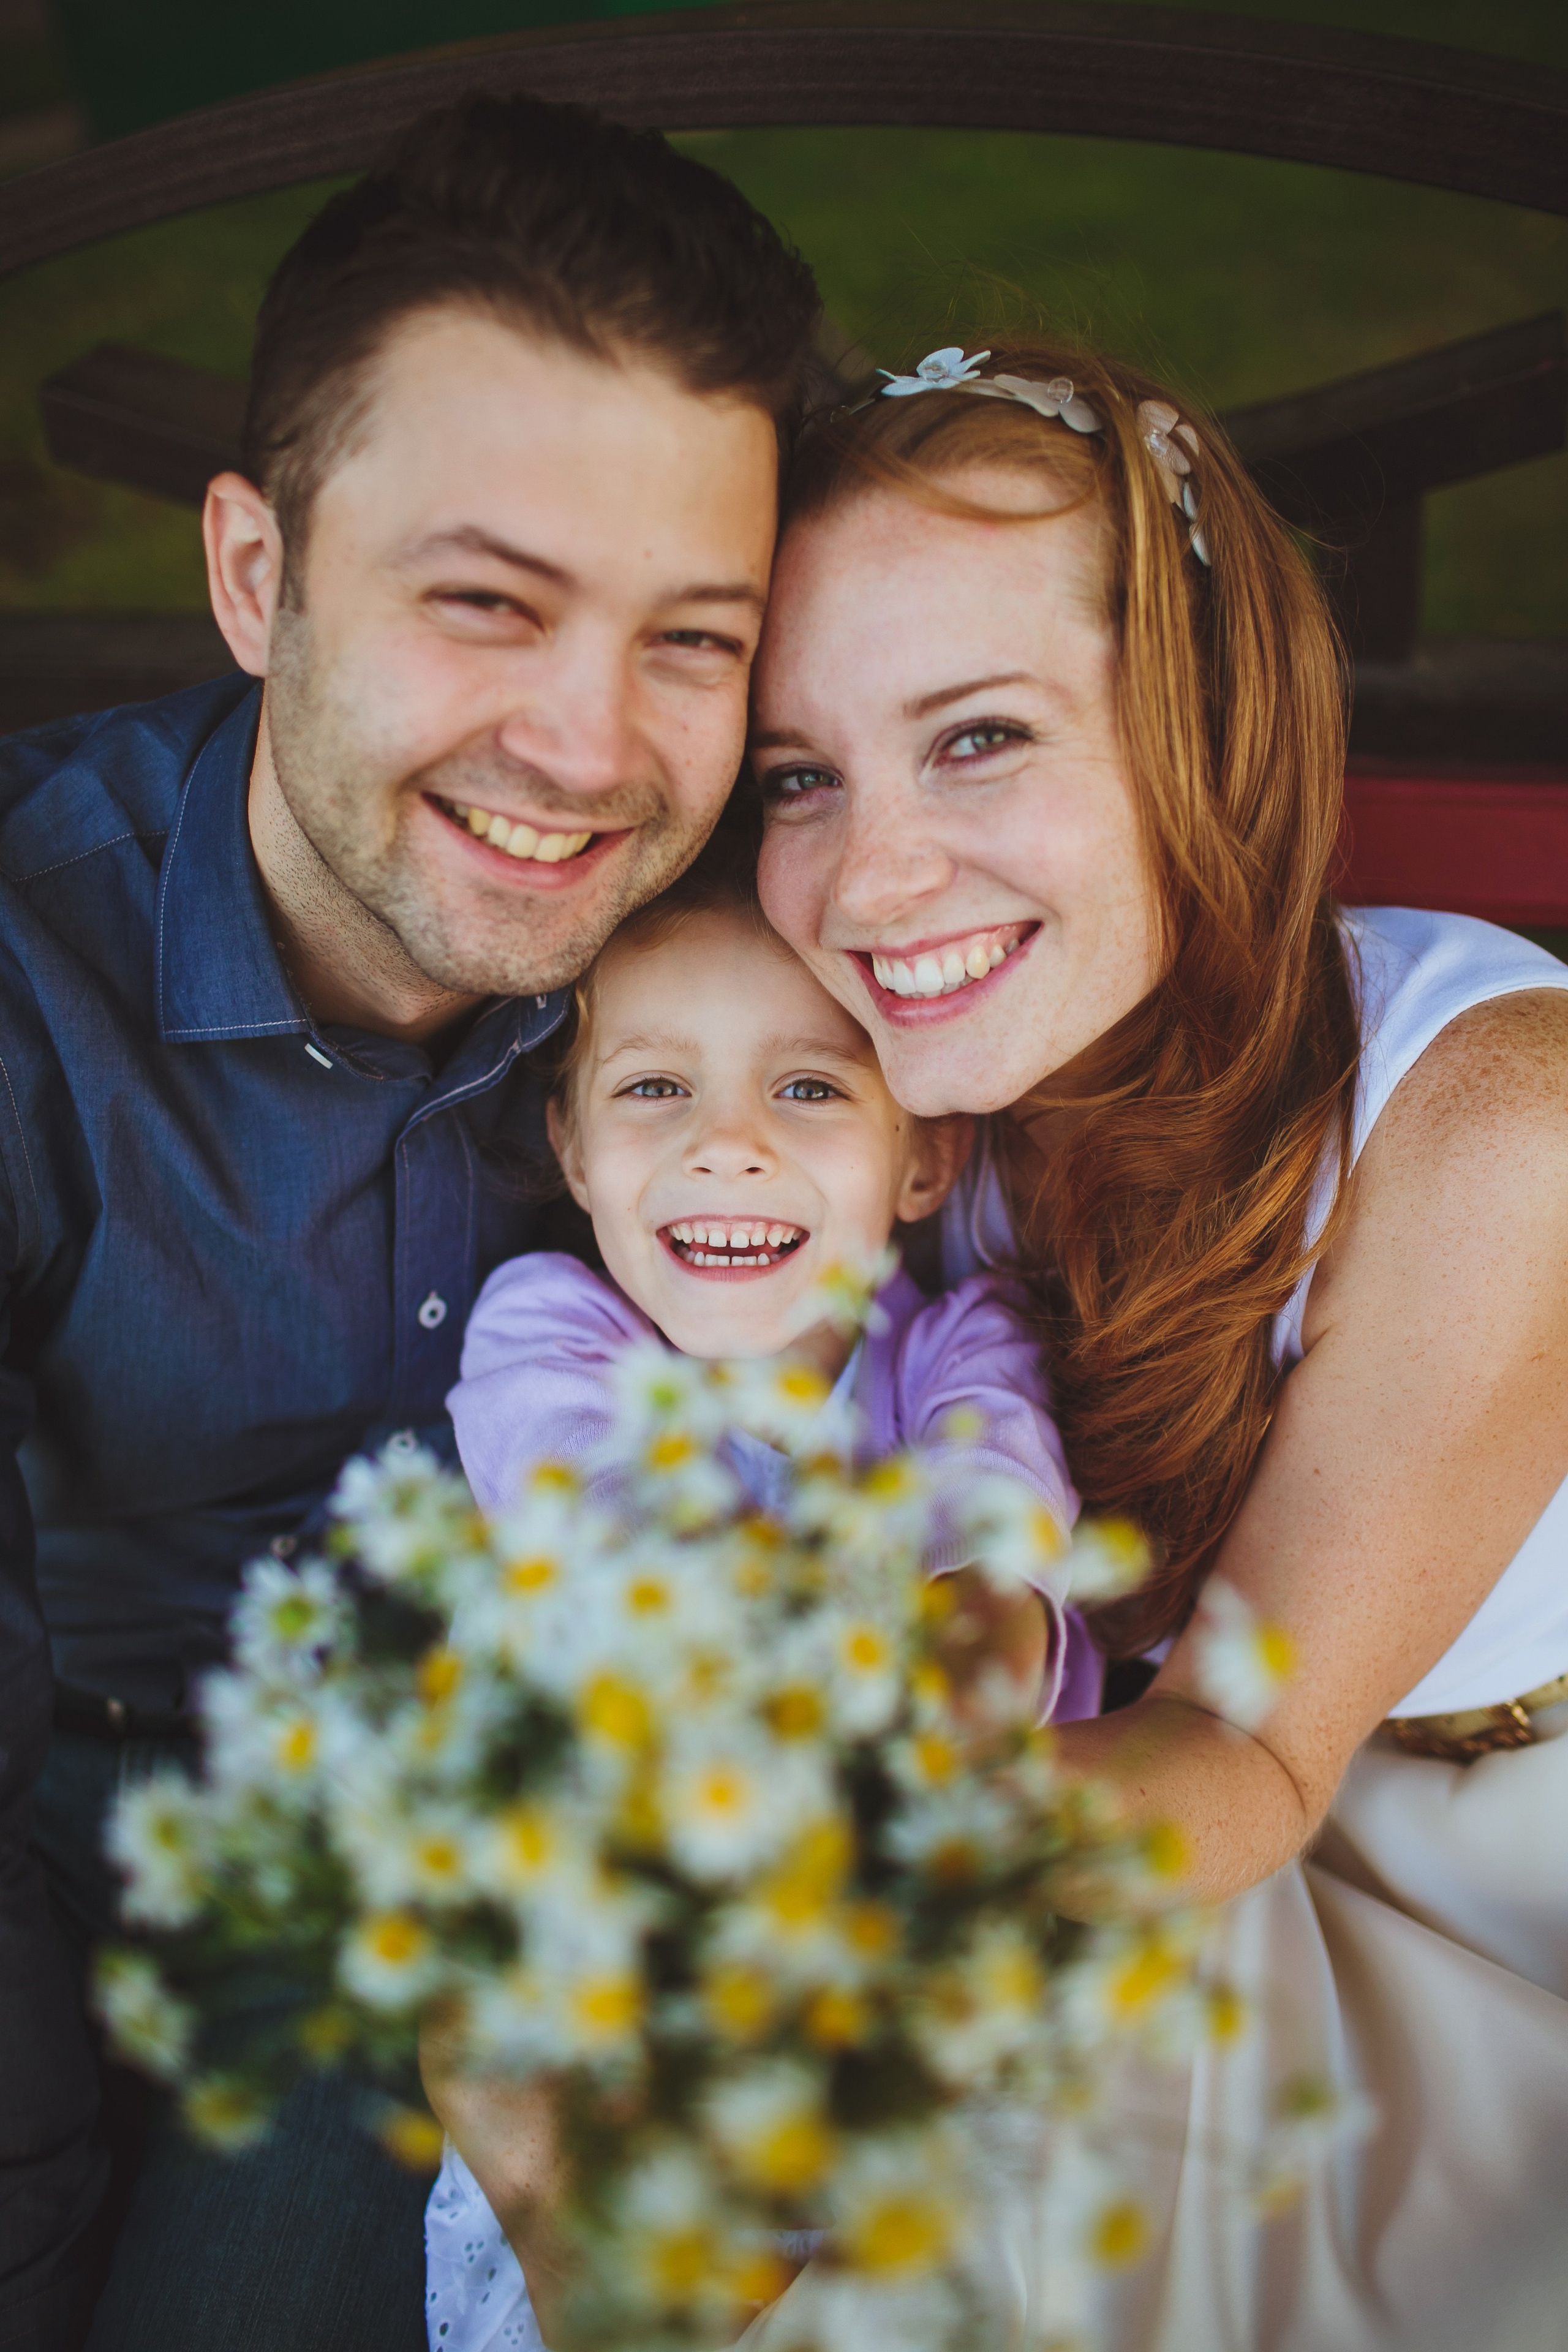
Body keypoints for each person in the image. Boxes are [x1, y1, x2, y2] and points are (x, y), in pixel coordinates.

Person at [0, 89, 819, 2352]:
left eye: (690, 639)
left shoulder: (746, 990)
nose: (587, 747)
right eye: (487, 604)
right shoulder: (29, 982)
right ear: (258, 576)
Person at [745, 335, 1568, 2347]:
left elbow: (1254, 1750)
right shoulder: (908, 1105)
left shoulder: (1497, 1120)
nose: (871, 880)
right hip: (1141, 1788)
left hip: (1476, 1859)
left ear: (1202, 728)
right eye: (798, 777)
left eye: (979, 737)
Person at [425, 837, 1087, 2351]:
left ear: (923, 1158)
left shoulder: (956, 1347)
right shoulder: (553, 1333)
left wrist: (966, 1646)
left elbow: (993, 1530)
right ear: (572, 1148)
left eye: (805, 1089)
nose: (726, 1146)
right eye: (656, 1088)